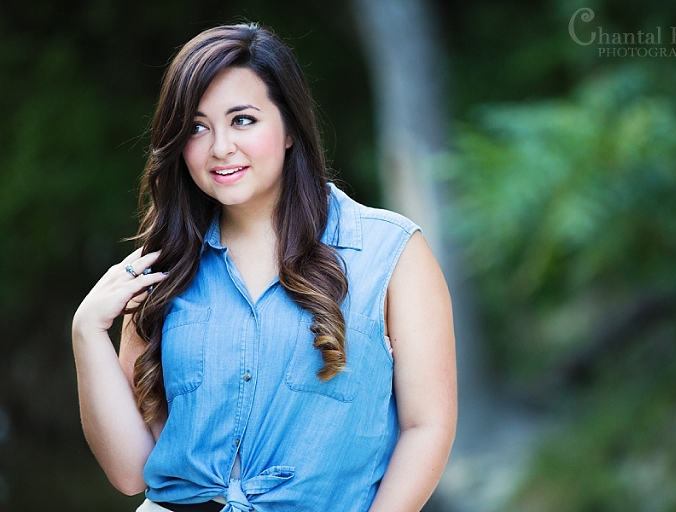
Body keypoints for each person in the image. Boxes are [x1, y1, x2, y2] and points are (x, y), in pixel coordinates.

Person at [72, 22, 456, 512]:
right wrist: (86, 332)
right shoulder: (162, 268)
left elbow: (428, 426)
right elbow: (130, 473)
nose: (220, 148)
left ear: (291, 126)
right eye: (196, 127)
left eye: (243, 120)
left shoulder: (390, 252)